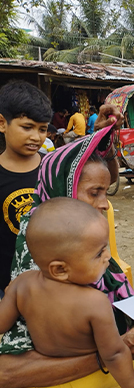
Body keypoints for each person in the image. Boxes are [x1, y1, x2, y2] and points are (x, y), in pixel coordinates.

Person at [2, 119, 134, 388]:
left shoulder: (89, 243)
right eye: (94, 192)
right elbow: (8, 369)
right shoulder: (38, 263)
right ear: (61, 189)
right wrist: (117, 352)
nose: (105, 202)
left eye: (105, 191)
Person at [2, 197, 134, 388]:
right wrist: (133, 387)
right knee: (126, 369)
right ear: (60, 269)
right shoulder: (95, 302)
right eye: (99, 252)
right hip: (90, 381)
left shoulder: (22, 284)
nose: (108, 257)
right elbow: (113, 354)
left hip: (42, 386)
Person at [0, 80, 52, 297]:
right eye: (27, 127)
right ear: (2, 123)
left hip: (48, 277)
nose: (36, 137)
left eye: (43, 129)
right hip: (6, 282)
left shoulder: (51, 167)